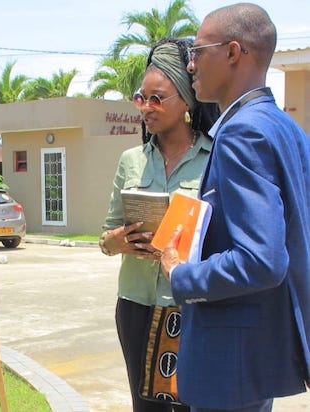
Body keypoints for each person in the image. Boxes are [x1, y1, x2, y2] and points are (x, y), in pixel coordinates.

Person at [160, 4, 310, 412]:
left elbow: (262, 259)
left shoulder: (242, 133)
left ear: (232, 52)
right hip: (252, 354)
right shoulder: (285, 127)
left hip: (230, 361)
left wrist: (181, 273)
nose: (190, 65)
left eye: (197, 51)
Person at [99, 38, 219, 412]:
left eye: (157, 99)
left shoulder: (214, 157)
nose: (146, 108)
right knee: (145, 406)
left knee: (189, 404)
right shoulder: (131, 160)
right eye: (141, 98)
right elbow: (105, 236)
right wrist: (118, 241)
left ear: (186, 102)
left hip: (188, 305)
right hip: (135, 304)